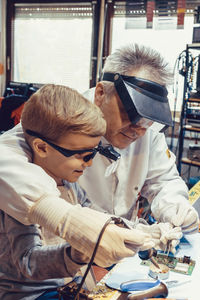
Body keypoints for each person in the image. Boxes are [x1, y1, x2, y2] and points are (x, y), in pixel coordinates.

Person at [0, 44, 198, 253]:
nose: (138, 130)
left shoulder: (147, 132)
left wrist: (174, 206)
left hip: (124, 245)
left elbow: (164, 181)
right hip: (66, 252)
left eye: (147, 121)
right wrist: (63, 217)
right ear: (101, 93)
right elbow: (5, 159)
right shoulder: (62, 115)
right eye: (132, 115)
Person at [0, 84, 154, 299]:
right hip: (30, 294)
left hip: (68, 285)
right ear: (42, 148)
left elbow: (96, 217)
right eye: (82, 155)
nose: (89, 164)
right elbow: (29, 262)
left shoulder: (69, 184)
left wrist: (139, 231)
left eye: (93, 153)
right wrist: (79, 252)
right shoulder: (17, 199)